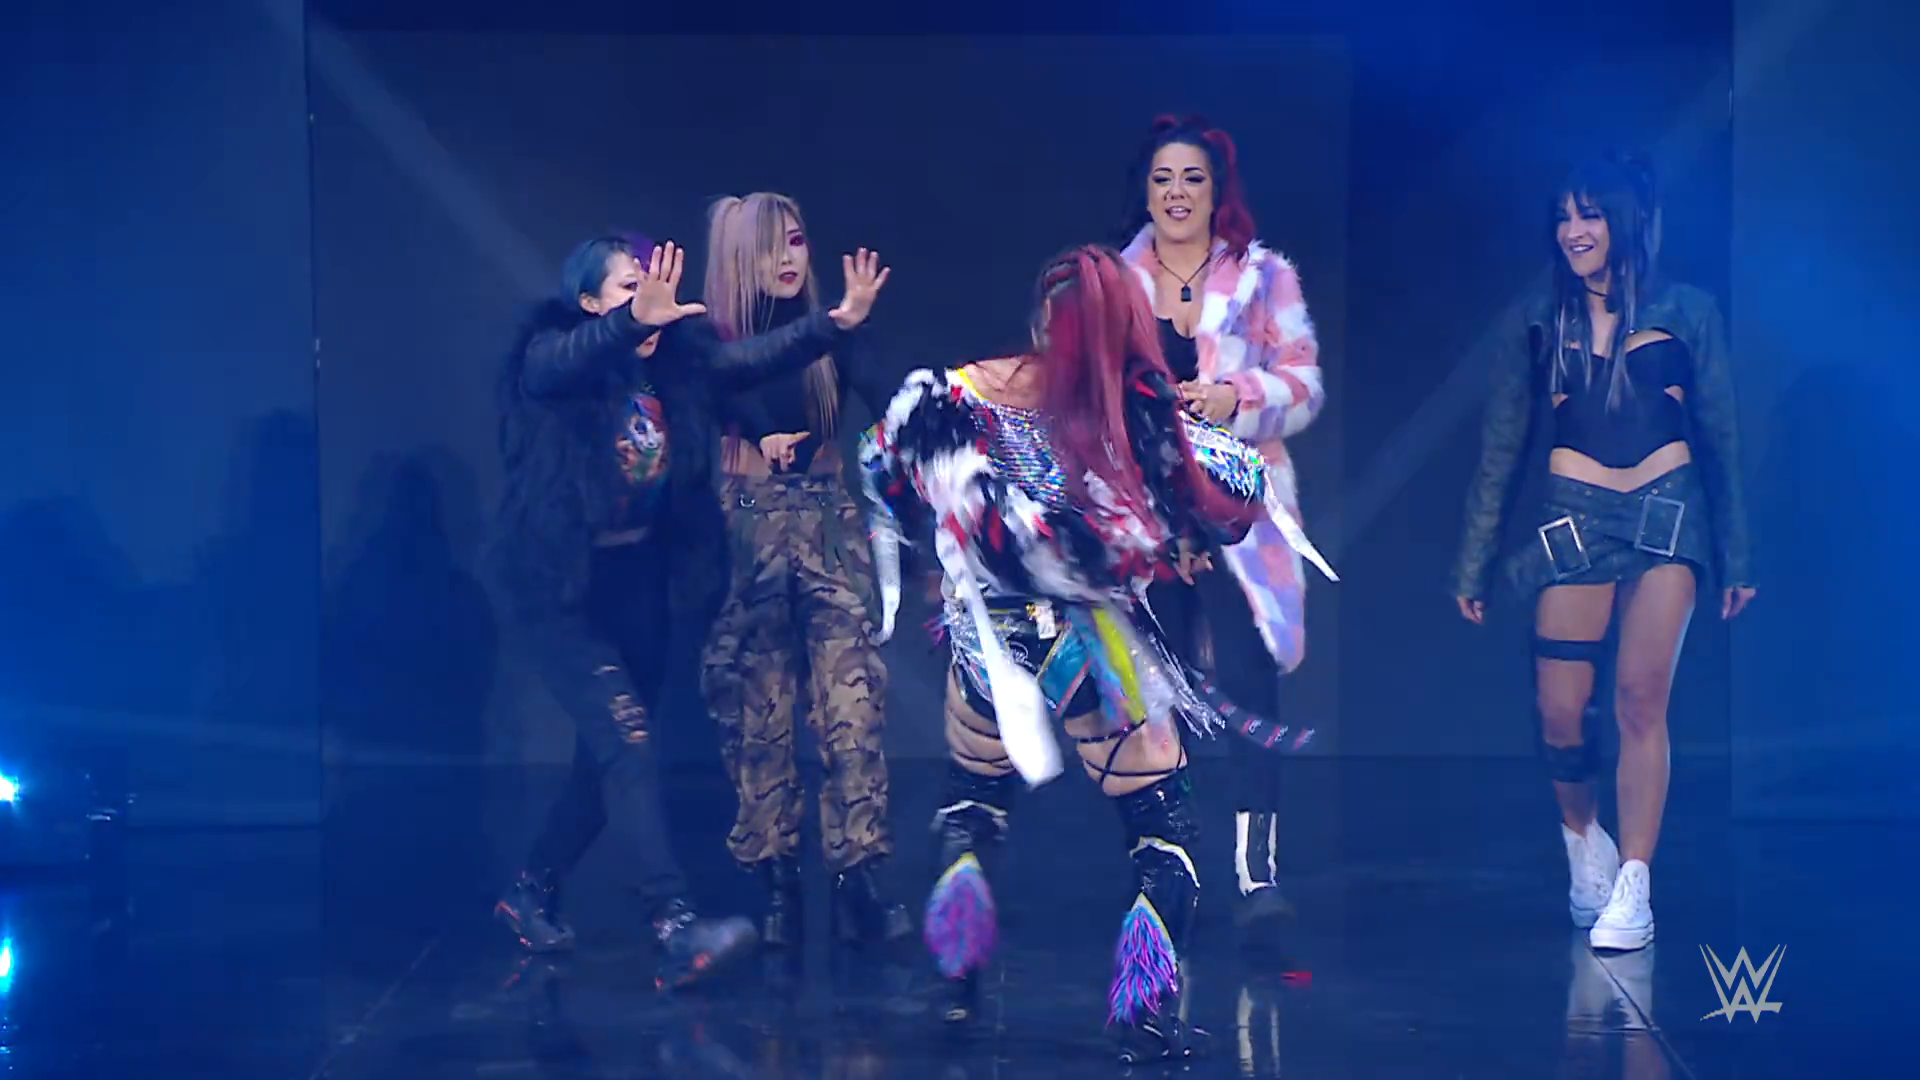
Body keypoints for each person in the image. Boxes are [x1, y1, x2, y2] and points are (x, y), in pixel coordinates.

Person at [859, 245, 1331, 1064]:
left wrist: (947, 547)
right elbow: (1236, 490)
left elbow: (884, 466)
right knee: (1163, 822)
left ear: (1042, 320)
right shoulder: (1130, 414)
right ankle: (1142, 1012)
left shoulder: (958, 394)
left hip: (989, 641)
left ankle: (957, 988)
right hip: (1091, 644)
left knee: (974, 801)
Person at [486, 232, 891, 988]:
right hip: (560, 593)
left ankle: (530, 890)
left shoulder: (675, 363)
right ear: (589, 303)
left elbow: (753, 358)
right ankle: (673, 925)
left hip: (633, 583)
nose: (651, 301)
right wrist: (630, 322)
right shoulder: (552, 357)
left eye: (653, 289)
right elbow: (561, 361)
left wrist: (835, 322)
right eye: (627, 290)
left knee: (606, 759)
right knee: (628, 745)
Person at [1450, 154, 1756, 952]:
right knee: (1560, 714)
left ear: (1625, 219)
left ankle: (1636, 884)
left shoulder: (1687, 310)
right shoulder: (1536, 320)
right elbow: (1502, 449)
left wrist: (1737, 555)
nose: (1574, 231)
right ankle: (1586, 844)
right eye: (1563, 216)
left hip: (1667, 516)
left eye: (1589, 214)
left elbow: (1721, 437)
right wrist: (1475, 561)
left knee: (1639, 697)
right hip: (1573, 524)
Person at [1116, 115, 1328, 928]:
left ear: (1216, 191)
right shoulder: (1114, 284)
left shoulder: (1264, 278)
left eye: (1193, 178)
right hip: (1146, 519)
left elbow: (1304, 385)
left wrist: (1235, 398)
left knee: (1249, 682)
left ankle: (1256, 876)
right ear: (1145, 191)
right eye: (1163, 178)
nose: (1177, 193)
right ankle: (1165, 865)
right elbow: (1091, 397)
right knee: (1152, 695)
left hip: (1239, 517)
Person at [697, 192, 910, 949]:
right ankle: (777, 880)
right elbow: (729, 390)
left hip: (827, 524)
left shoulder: (834, 331)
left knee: (853, 708)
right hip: (746, 528)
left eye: (794, 241)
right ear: (738, 257)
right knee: (758, 714)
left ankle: (858, 878)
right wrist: (761, 438)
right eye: (769, 245)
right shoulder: (714, 342)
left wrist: (938, 411)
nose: (787, 258)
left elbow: (891, 397)